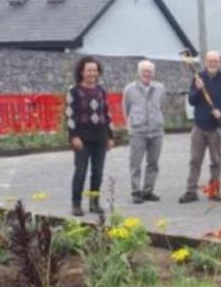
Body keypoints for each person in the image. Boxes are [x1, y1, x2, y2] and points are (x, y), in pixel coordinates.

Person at [179, 51, 221, 203]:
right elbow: (191, 101)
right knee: (195, 160)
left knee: (216, 161)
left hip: (216, 128)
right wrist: (198, 89)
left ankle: (214, 191)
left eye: (215, 61)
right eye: (210, 61)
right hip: (199, 126)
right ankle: (191, 191)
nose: (212, 63)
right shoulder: (198, 78)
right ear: (205, 62)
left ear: (220, 63)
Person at [66, 56, 115, 216]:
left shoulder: (101, 91)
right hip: (82, 139)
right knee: (80, 171)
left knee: (98, 172)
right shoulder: (74, 91)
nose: (92, 73)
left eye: (95, 70)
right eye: (89, 70)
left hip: (100, 138)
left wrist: (110, 136)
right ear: (82, 72)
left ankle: (94, 203)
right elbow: (69, 115)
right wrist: (74, 136)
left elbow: (107, 114)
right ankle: (76, 204)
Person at [123, 60, 166, 204]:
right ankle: (136, 191)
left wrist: (158, 121)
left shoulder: (160, 88)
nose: (147, 73)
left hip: (156, 131)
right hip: (138, 132)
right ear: (139, 72)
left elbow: (162, 107)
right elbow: (126, 109)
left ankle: (148, 190)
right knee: (135, 163)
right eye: (144, 71)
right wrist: (131, 124)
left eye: (150, 71)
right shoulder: (129, 89)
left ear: (153, 73)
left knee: (153, 163)